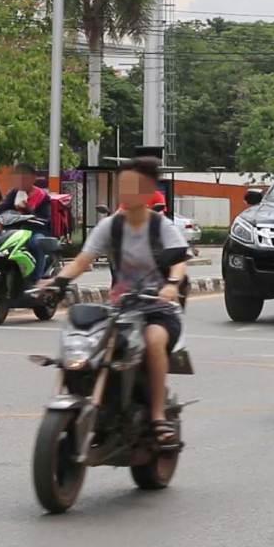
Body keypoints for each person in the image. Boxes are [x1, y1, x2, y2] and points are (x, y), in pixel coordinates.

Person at [44, 157, 189, 449]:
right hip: (121, 308)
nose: (126, 191)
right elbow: (82, 261)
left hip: (158, 309)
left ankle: (157, 416)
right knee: (87, 341)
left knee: (153, 340)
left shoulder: (161, 226)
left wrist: (172, 285)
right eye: (123, 185)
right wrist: (56, 282)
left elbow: (179, 261)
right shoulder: (110, 226)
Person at [0, 163, 52, 280]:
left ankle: (36, 278)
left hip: (36, 230)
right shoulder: (14, 193)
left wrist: (28, 209)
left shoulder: (42, 196)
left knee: (36, 244)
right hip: (15, 231)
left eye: (25, 177)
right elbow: (3, 206)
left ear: (33, 178)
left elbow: (45, 217)